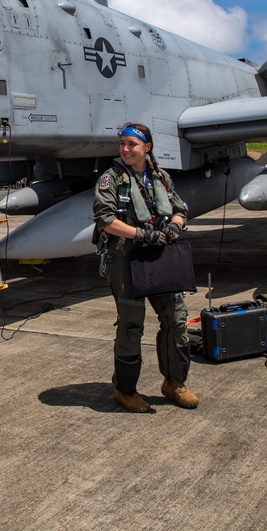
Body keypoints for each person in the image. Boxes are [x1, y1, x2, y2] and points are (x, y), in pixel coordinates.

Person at [92, 122, 198, 413]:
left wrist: (175, 228)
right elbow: (105, 219)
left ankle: (174, 383)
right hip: (125, 258)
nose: (126, 149)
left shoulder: (161, 178)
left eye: (132, 144)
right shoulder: (111, 179)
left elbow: (180, 209)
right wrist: (141, 234)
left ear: (146, 148)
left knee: (176, 320)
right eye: (122, 144)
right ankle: (125, 391)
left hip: (160, 257)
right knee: (131, 325)